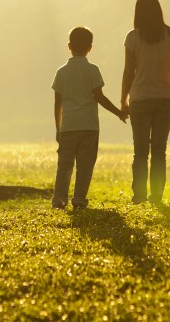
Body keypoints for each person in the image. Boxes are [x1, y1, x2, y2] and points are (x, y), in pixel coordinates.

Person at [52, 26, 127, 210]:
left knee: (64, 165)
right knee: (85, 165)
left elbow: (58, 103)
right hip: (89, 125)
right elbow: (99, 97)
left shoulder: (61, 72)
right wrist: (119, 112)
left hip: (68, 125)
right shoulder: (93, 70)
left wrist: (58, 128)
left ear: (69, 46)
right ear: (90, 47)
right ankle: (79, 199)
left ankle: (59, 199)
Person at [121, 0, 170, 204]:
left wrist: (123, 99)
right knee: (159, 150)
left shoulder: (133, 37)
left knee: (140, 151)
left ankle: (138, 195)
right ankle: (156, 195)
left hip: (140, 98)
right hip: (166, 98)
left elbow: (129, 71)